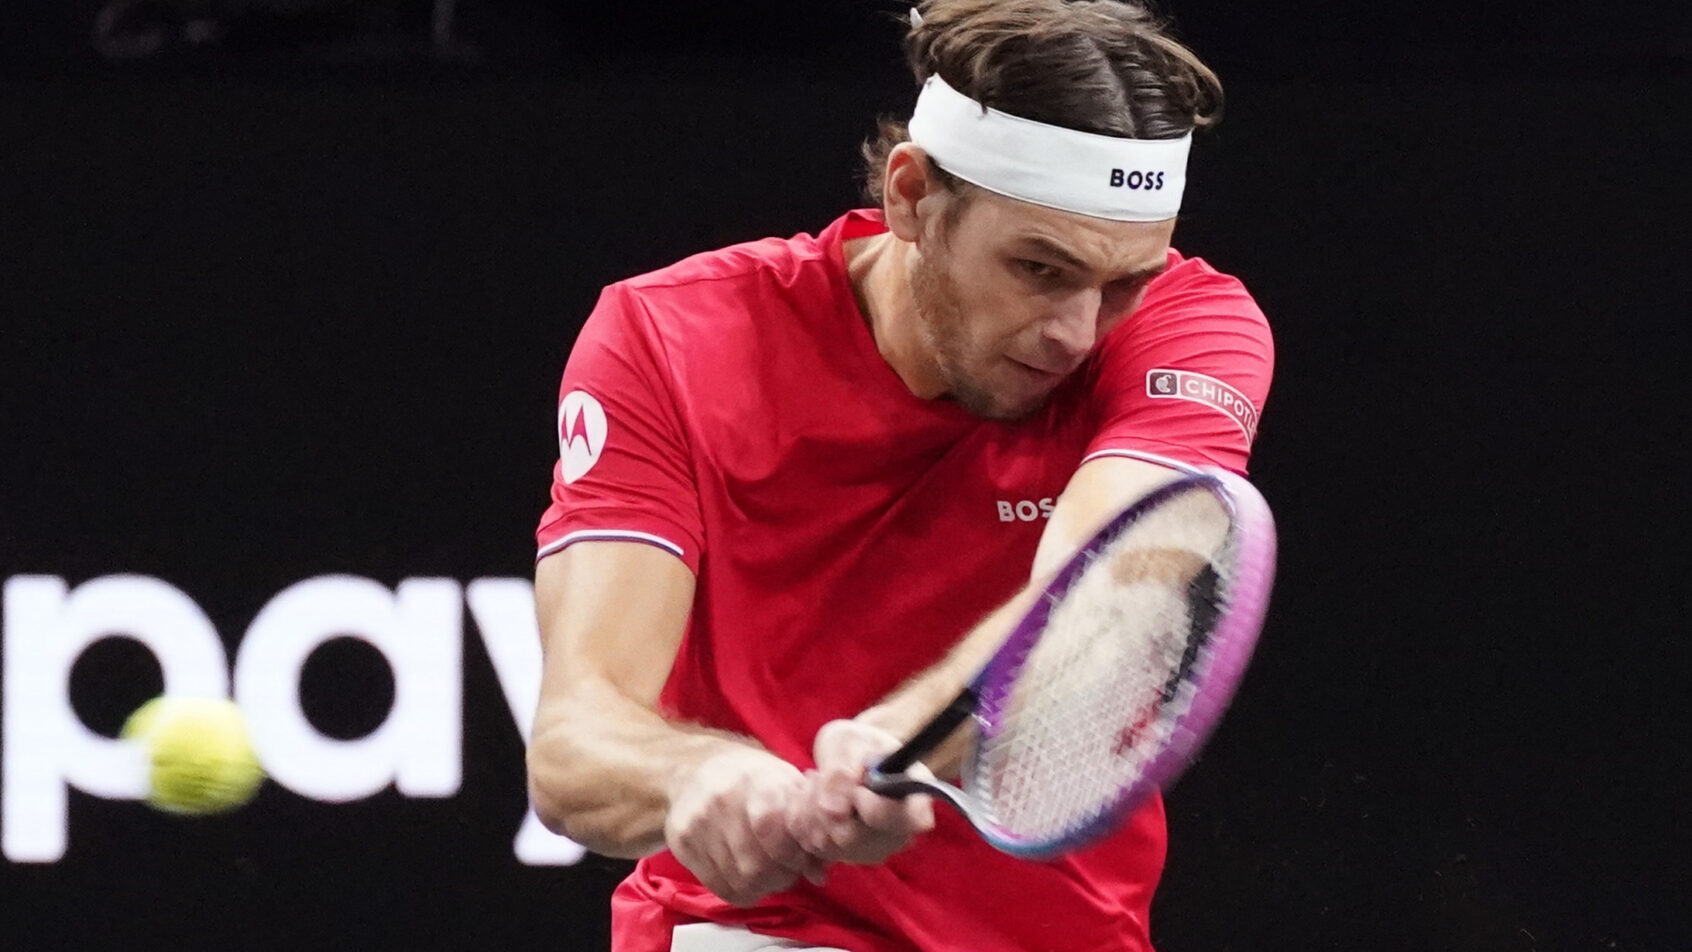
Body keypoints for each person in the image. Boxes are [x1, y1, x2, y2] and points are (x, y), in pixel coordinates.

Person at [526, 1, 1273, 949]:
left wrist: (895, 742)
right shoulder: (669, 337)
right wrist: (697, 777)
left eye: (1123, 283)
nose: (1078, 334)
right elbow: (573, 743)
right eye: (1040, 269)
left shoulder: (1195, 329)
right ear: (912, 195)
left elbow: (1097, 596)